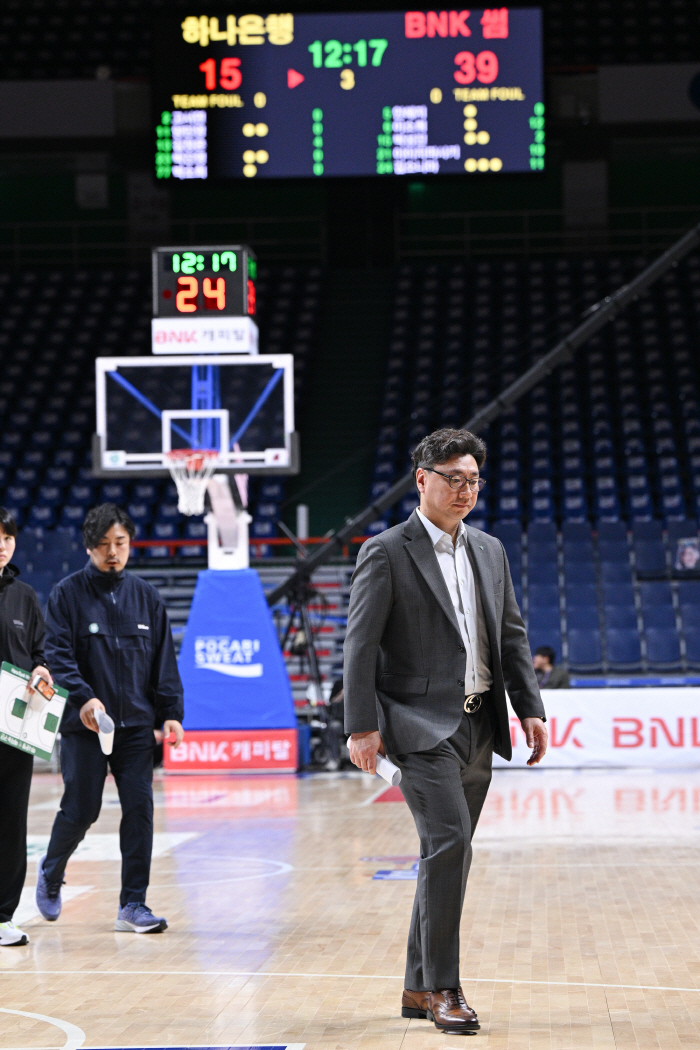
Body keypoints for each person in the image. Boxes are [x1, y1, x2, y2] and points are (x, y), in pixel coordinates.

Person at [344, 428, 547, 1034]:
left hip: (479, 723)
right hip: (416, 724)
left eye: (474, 479)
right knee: (450, 844)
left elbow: (509, 635)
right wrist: (362, 727)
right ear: (423, 479)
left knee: (446, 857)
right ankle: (444, 989)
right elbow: (359, 646)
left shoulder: (489, 549)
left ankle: (414, 985)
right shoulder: (385, 551)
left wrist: (528, 706)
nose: (466, 490)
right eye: (454, 478)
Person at [36, 504, 184, 933]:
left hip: (135, 726)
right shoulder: (66, 595)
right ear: (89, 547)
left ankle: (132, 904)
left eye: (120, 544)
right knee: (82, 810)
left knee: (139, 810)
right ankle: (51, 870)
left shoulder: (147, 598)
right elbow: (58, 657)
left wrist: (171, 714)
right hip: (84, 727)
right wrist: (83, 699)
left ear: (130, 544)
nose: (113, 553)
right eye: (103, 546)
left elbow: (163, 663)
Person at [0, 509, 53, 947]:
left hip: (15, 730)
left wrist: (42, 673)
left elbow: (41, 654)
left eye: (8, 537)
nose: (2, 544)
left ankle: (2, 916)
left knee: (11, 822)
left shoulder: (25, 597)